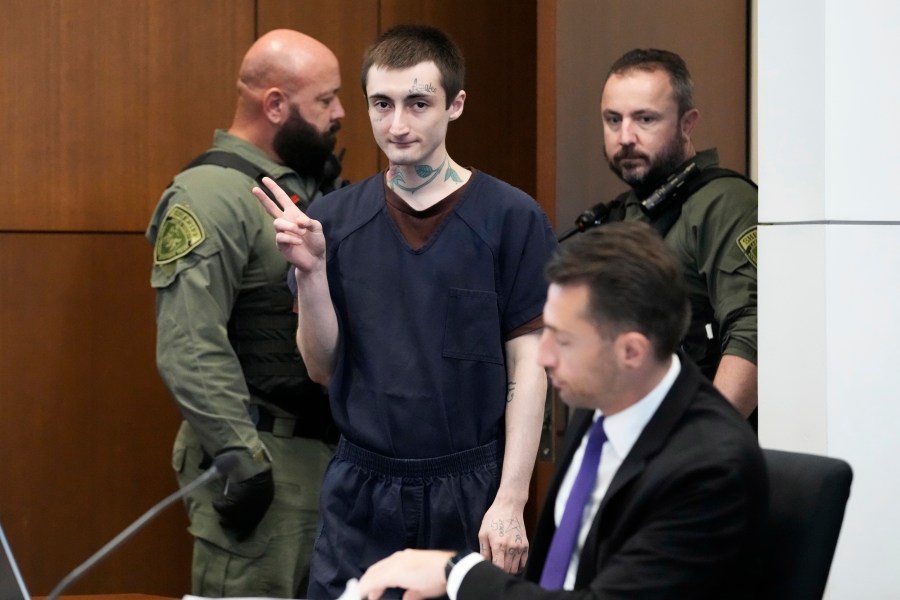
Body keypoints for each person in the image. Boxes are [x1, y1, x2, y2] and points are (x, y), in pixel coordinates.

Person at [253, 24, 558, 599]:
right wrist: (313, 274)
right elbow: (321, 369)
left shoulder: (510, 218)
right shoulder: (334, 220)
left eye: (418, 103)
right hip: (361, 488)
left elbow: (530, 365)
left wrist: (511, 498)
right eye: (382, 104)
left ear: (455, 105)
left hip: (470, 486)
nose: (398, 125)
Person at [354, 221, 767, 600]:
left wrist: (456, 572)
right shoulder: (600, 402)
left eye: (563, 340)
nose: (544, 356)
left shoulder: (709, 468)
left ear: (631, 351)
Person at [145, 29, 346, 598]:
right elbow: (189, 343)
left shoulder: (303, 185)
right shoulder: (211, 195)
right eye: (325, 100)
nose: (341, 113)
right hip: (264, 456)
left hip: (323, 454)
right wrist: (242, 459)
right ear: (276, 104)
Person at [579, 48, 758, 424]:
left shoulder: (723, 202)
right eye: (613, 120)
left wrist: (697, 446)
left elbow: (753, 331)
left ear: (687, 123)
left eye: (645, 119)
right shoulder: (625, 214)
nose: (625, 136)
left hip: (702, 455)